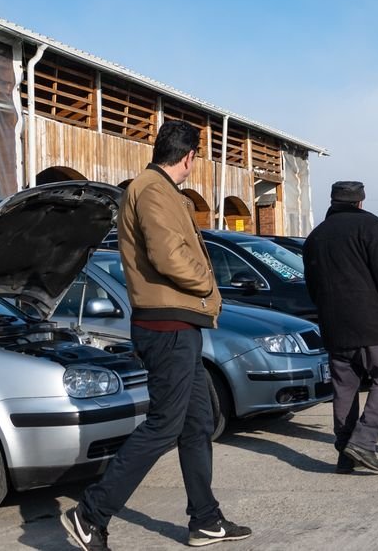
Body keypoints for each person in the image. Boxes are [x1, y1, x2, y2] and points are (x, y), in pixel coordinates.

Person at [61, 121, 250, 550]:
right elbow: (169, 256)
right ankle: (90, 515)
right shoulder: (151, 189)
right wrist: (207, 283)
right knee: (166, 425)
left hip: (179, 325)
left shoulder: (159, 190)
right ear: (188, 157)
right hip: (166, 327)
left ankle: (205, 520)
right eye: (195, 159)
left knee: (198, 423)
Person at [304, 181, 378, 474]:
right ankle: (364, 442)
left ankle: (345, 455)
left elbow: (312, 285)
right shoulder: (372, 227)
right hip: (371, 323)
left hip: (333, 325)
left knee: (344, 388)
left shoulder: (316, 236)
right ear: (361, 202)